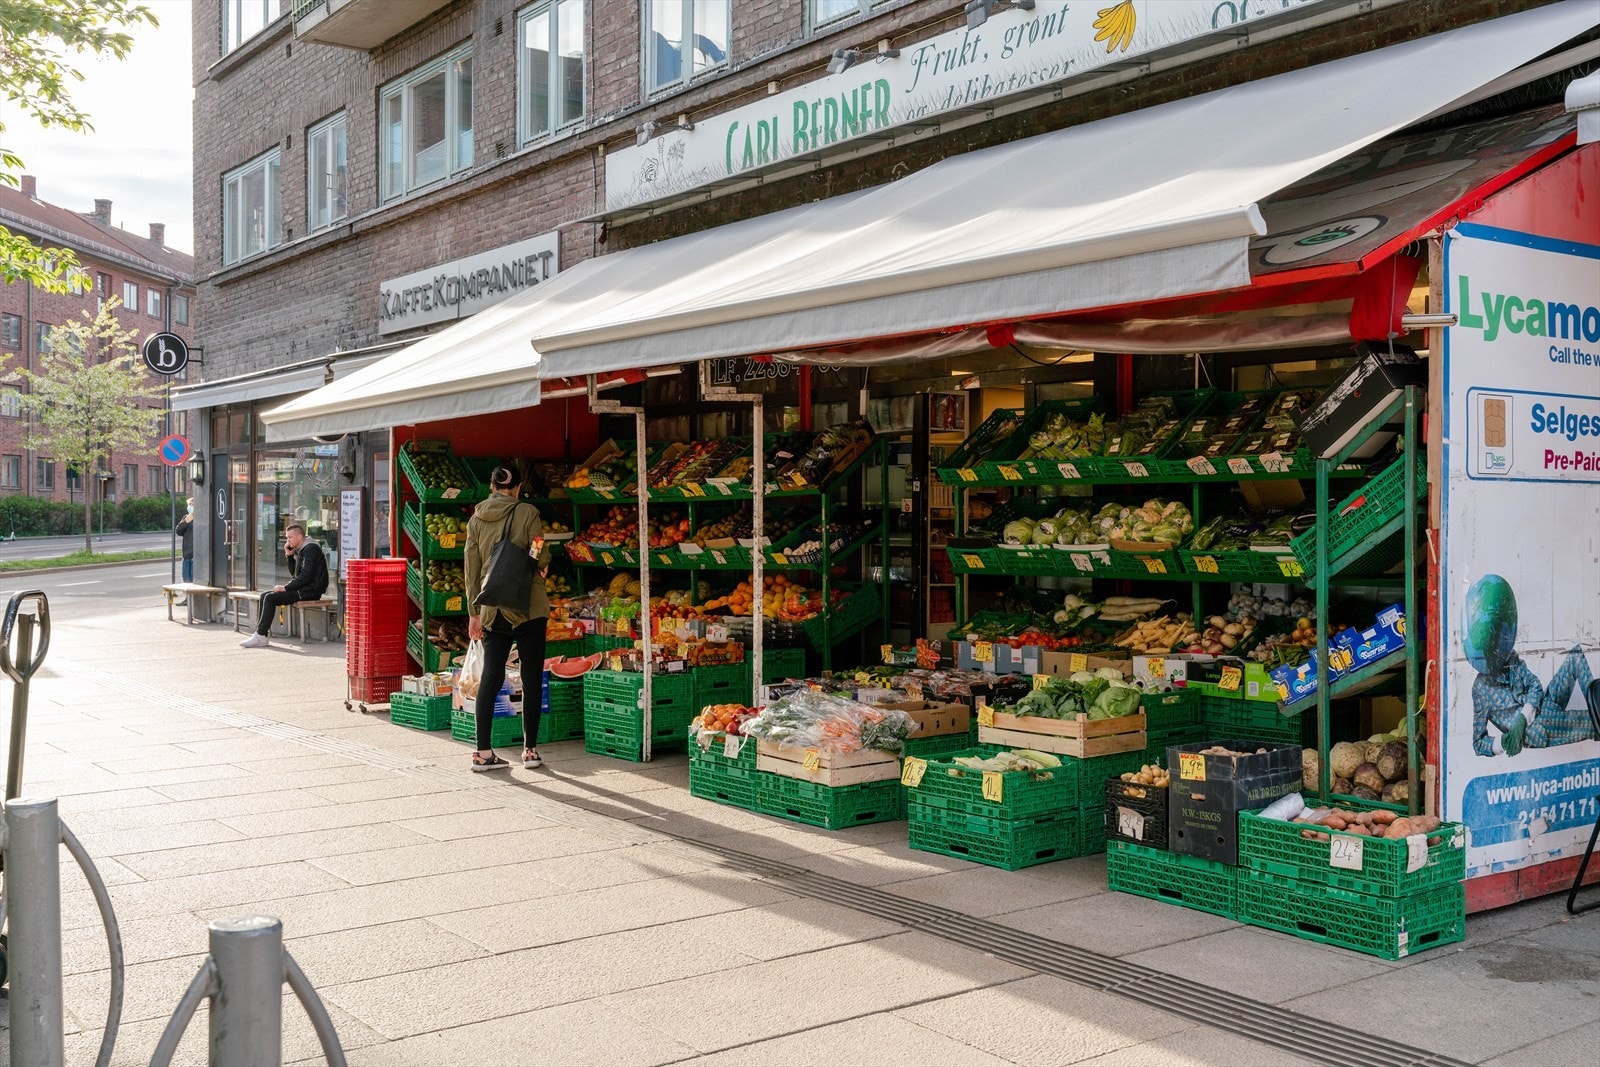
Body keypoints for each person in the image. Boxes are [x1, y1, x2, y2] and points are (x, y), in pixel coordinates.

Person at [464, 465, 551, 771]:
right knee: (530, 677)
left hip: (492, 609)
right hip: (528, 605)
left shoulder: (476, 519)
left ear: (492, 486)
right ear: (517, 488)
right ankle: (529, 751)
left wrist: (474, 612)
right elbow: (538, 547)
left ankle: (483, 753)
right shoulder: (527, 511)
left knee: (491, 676)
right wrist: (537, 564)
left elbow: (471, 569)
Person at [1466, 574, 1596, 756]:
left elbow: (1535, 685)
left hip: (1543, 705)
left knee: (1576, 655)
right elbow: (1478, 743)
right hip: (1540, 730)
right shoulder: (1481, 688)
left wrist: (1522, 717)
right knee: (1591, 723)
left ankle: (1597, 702)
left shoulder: (1511, 660)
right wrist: (1505, 741)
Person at [239, 524, 328, 649]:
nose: (288, 541)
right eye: (287, 538)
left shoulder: (311, 549)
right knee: (265, 595)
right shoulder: (302, 549)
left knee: (270, 598)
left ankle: (260, 636)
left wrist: (285, 587)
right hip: (303, 588)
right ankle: (261, 634)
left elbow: (306, 576)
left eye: (290, 537)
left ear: (299, 536)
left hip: (311, 590)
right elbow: (295, 574)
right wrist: (290, 556)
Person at [175, 498, 195, 584]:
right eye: (188, 504)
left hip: (196, 557)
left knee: (195, 581)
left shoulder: (202, 517)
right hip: (186, 556)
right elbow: (178, 531)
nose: (189, 506)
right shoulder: (186, 518)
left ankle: (194, 598)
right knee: (186, 580)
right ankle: (188, 597)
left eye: (191, 504)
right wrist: (185, 522)